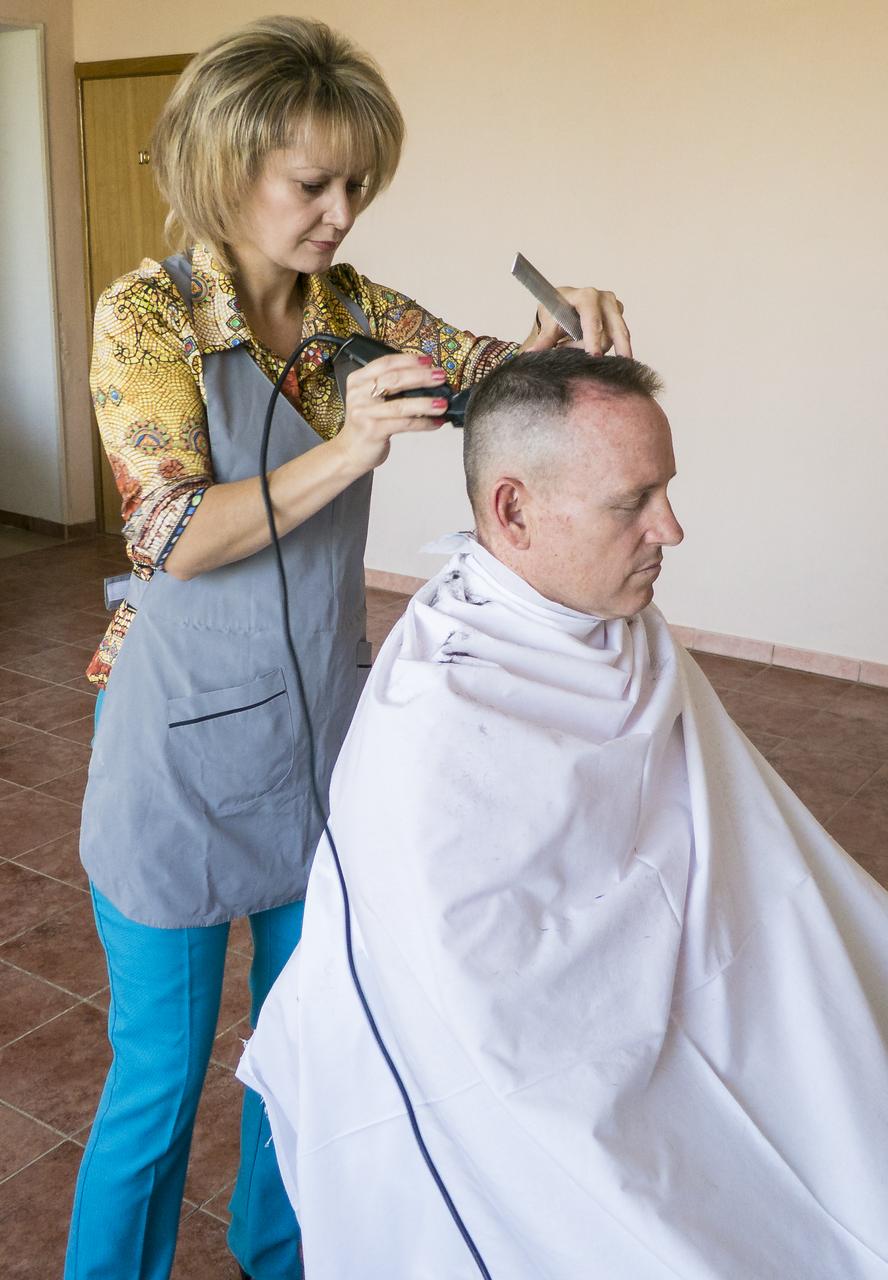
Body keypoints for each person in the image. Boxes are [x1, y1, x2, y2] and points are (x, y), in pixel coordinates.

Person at [66, 18, 633, 1280]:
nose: (340, 213)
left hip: (315, 728)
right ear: (226, 165)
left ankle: (284, 1256)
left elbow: (489, 377)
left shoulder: (350, 311)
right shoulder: (147, 317)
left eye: (357, 186)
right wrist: (350, 446)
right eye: (312, 183)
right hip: (169, 746)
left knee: (305, 1043)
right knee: (158, 1079)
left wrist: (560, 333)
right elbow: (167, 532)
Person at [239, 349, 888, 1279]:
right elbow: (487, 1009)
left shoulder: (622, 631)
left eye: (665, 490)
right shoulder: (439, 720)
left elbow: (726, 851)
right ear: (513, 510)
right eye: (635, 502)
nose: (672, 527)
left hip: (704, 1007)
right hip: (539, 1082)